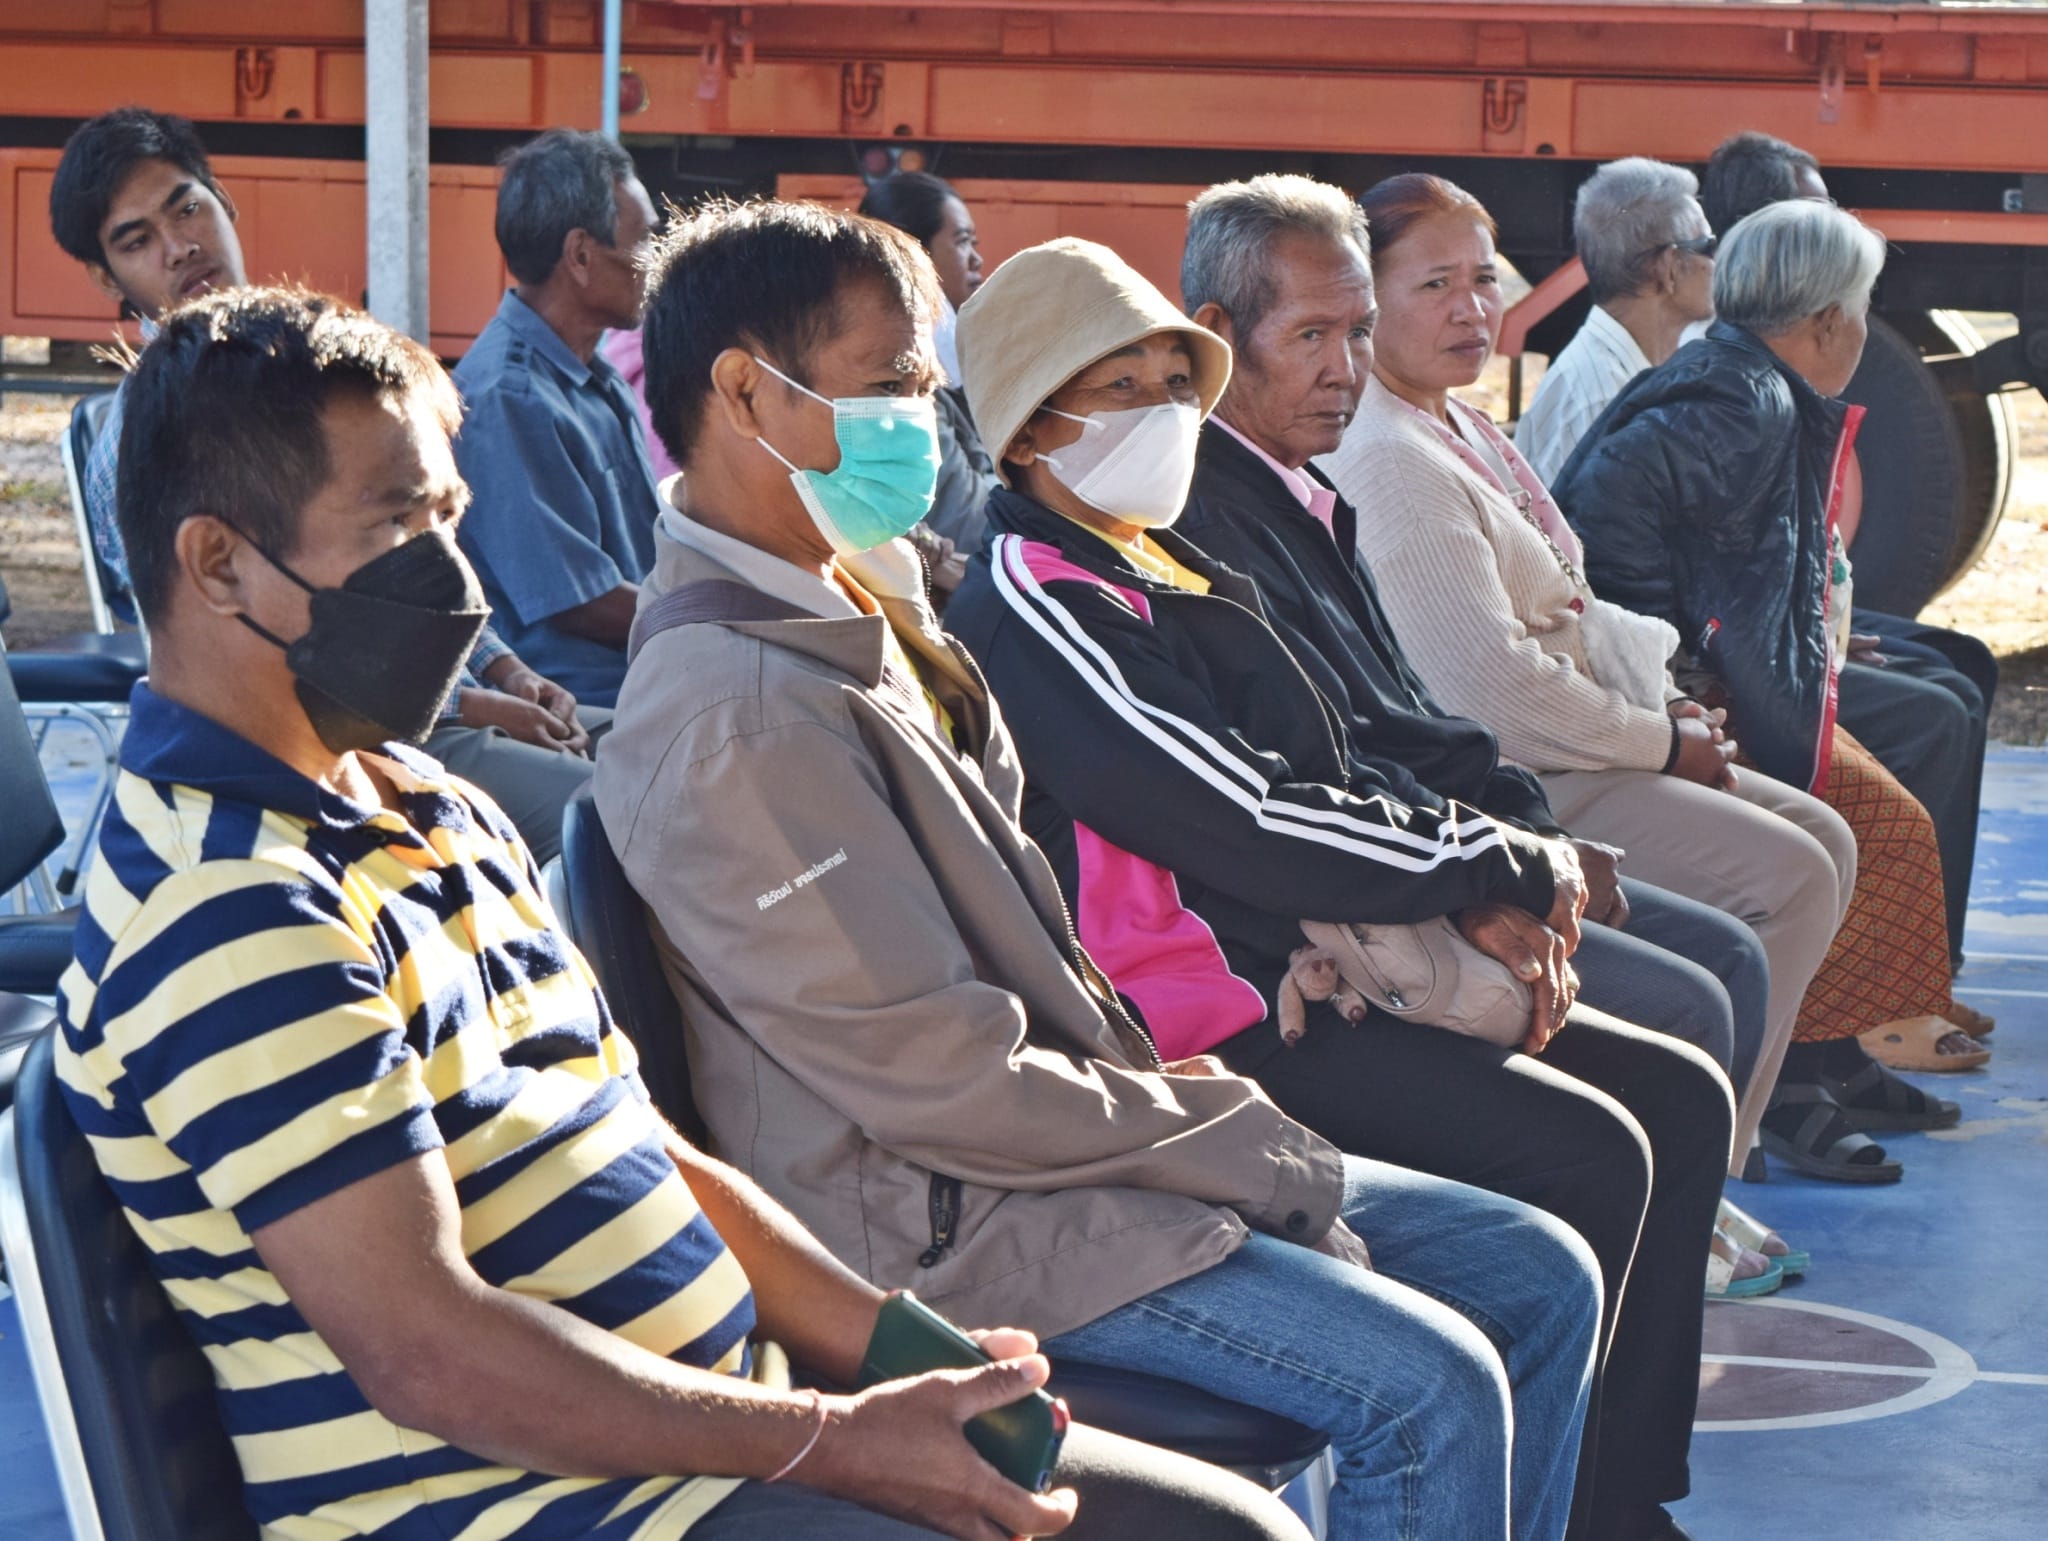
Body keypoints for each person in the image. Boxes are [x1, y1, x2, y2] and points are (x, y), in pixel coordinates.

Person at [54, 283, 1322, 1541]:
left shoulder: (423, 801)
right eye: (394, 521)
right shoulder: (225, 904)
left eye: (445, 514)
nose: (447, 572)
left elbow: (640, 1143)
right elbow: (430, 1352)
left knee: (1221, 1528)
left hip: (707, 1446)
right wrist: (838, 1442)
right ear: (219, 563)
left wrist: (912, 1362)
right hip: (522, 1507)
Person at [595, 196, 1601, 1541]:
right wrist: (1218, 1133)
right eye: (887, 384)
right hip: (945, 1222)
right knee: (1430, 1387)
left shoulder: (851, 605)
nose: (920, 422)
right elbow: (937, 1078)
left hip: (1055, 1147)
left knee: (1534, 1270)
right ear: (744, 393)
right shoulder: (745, 718)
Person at [944, 233, 1729, 1541]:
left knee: (1674, 1092)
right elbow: (1241, 813)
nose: (1161, 415)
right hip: (1213, 1029)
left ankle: (1611, 1497)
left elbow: (1348, 751)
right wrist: (1492, 861)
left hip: (1303, 959)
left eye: (1172, 384)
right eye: (1119, 390)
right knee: (1588, 1153)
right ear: (1029, 430)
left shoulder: (1157, 561)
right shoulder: (1041, 603)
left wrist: (1481, 861)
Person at [1320, 172, 1861, 1200]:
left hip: (1579, 738)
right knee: (1792, 873)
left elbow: (1573, 601)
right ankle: (1698, 1191)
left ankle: (1715, 1165)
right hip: (1512, 776)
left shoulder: (1455, 423)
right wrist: (1660, 742)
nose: (1471, 308)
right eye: (1434, 284)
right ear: (1364, 299)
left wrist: (1665, 703)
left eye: (1484, 279)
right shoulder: (1388, 457)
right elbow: (1489, 693)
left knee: (1826, 839)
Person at [48, 106, 596, 862]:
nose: (180, 246)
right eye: (136, 241)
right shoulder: (151, 437)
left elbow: (413, 549)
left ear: (223, 201)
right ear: (105, 276)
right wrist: (479, 703)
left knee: (670, 754)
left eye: (187, 207)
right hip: (357, 741)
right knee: (634, 809)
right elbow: (257, 667)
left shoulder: (302, 358)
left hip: (442, 697)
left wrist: (508, 668)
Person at [1553, 200, 1979, 1171]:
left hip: (1722, 679)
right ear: (1826, 321)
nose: (1863, 329)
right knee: (1879, 823)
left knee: (1889, 803)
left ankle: (1830, 1054)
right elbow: (1632, 539)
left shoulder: (1746, 381)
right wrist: (1697, 679)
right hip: (1678, 696)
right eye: (1862, 308)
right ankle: (1792, 1084)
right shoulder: (1740, 401)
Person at [1698, 131, 1998, 989]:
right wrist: (1812, 650)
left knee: (1960, 670)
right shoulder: (1732, 390)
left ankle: (1923, 975)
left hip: (1778, 642)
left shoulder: (1765, 383)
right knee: (1932, 717)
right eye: (1817, 212)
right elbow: (1708, 586)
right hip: (1718, 674)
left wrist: (1823, 631)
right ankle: (1884, 998)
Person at [453, 127, 663, 709]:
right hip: (579, 703)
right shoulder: (508, 397)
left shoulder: (597, 377)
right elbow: (578, 601)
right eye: (644, 241)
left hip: (643, 677)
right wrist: (714, 618)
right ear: (580, 255)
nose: (654, 262)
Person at [1517, 158, 1718, 486]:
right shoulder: (1604, 399)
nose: (1715, 262)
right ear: (1668, 267)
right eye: (1707, 246)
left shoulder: (1618, 375)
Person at [860, 170, 1001, 565]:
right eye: (962, 241)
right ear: (915, 253)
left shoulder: (950, 366)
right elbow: (969, 523)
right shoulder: (905, 378)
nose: (977, 259)